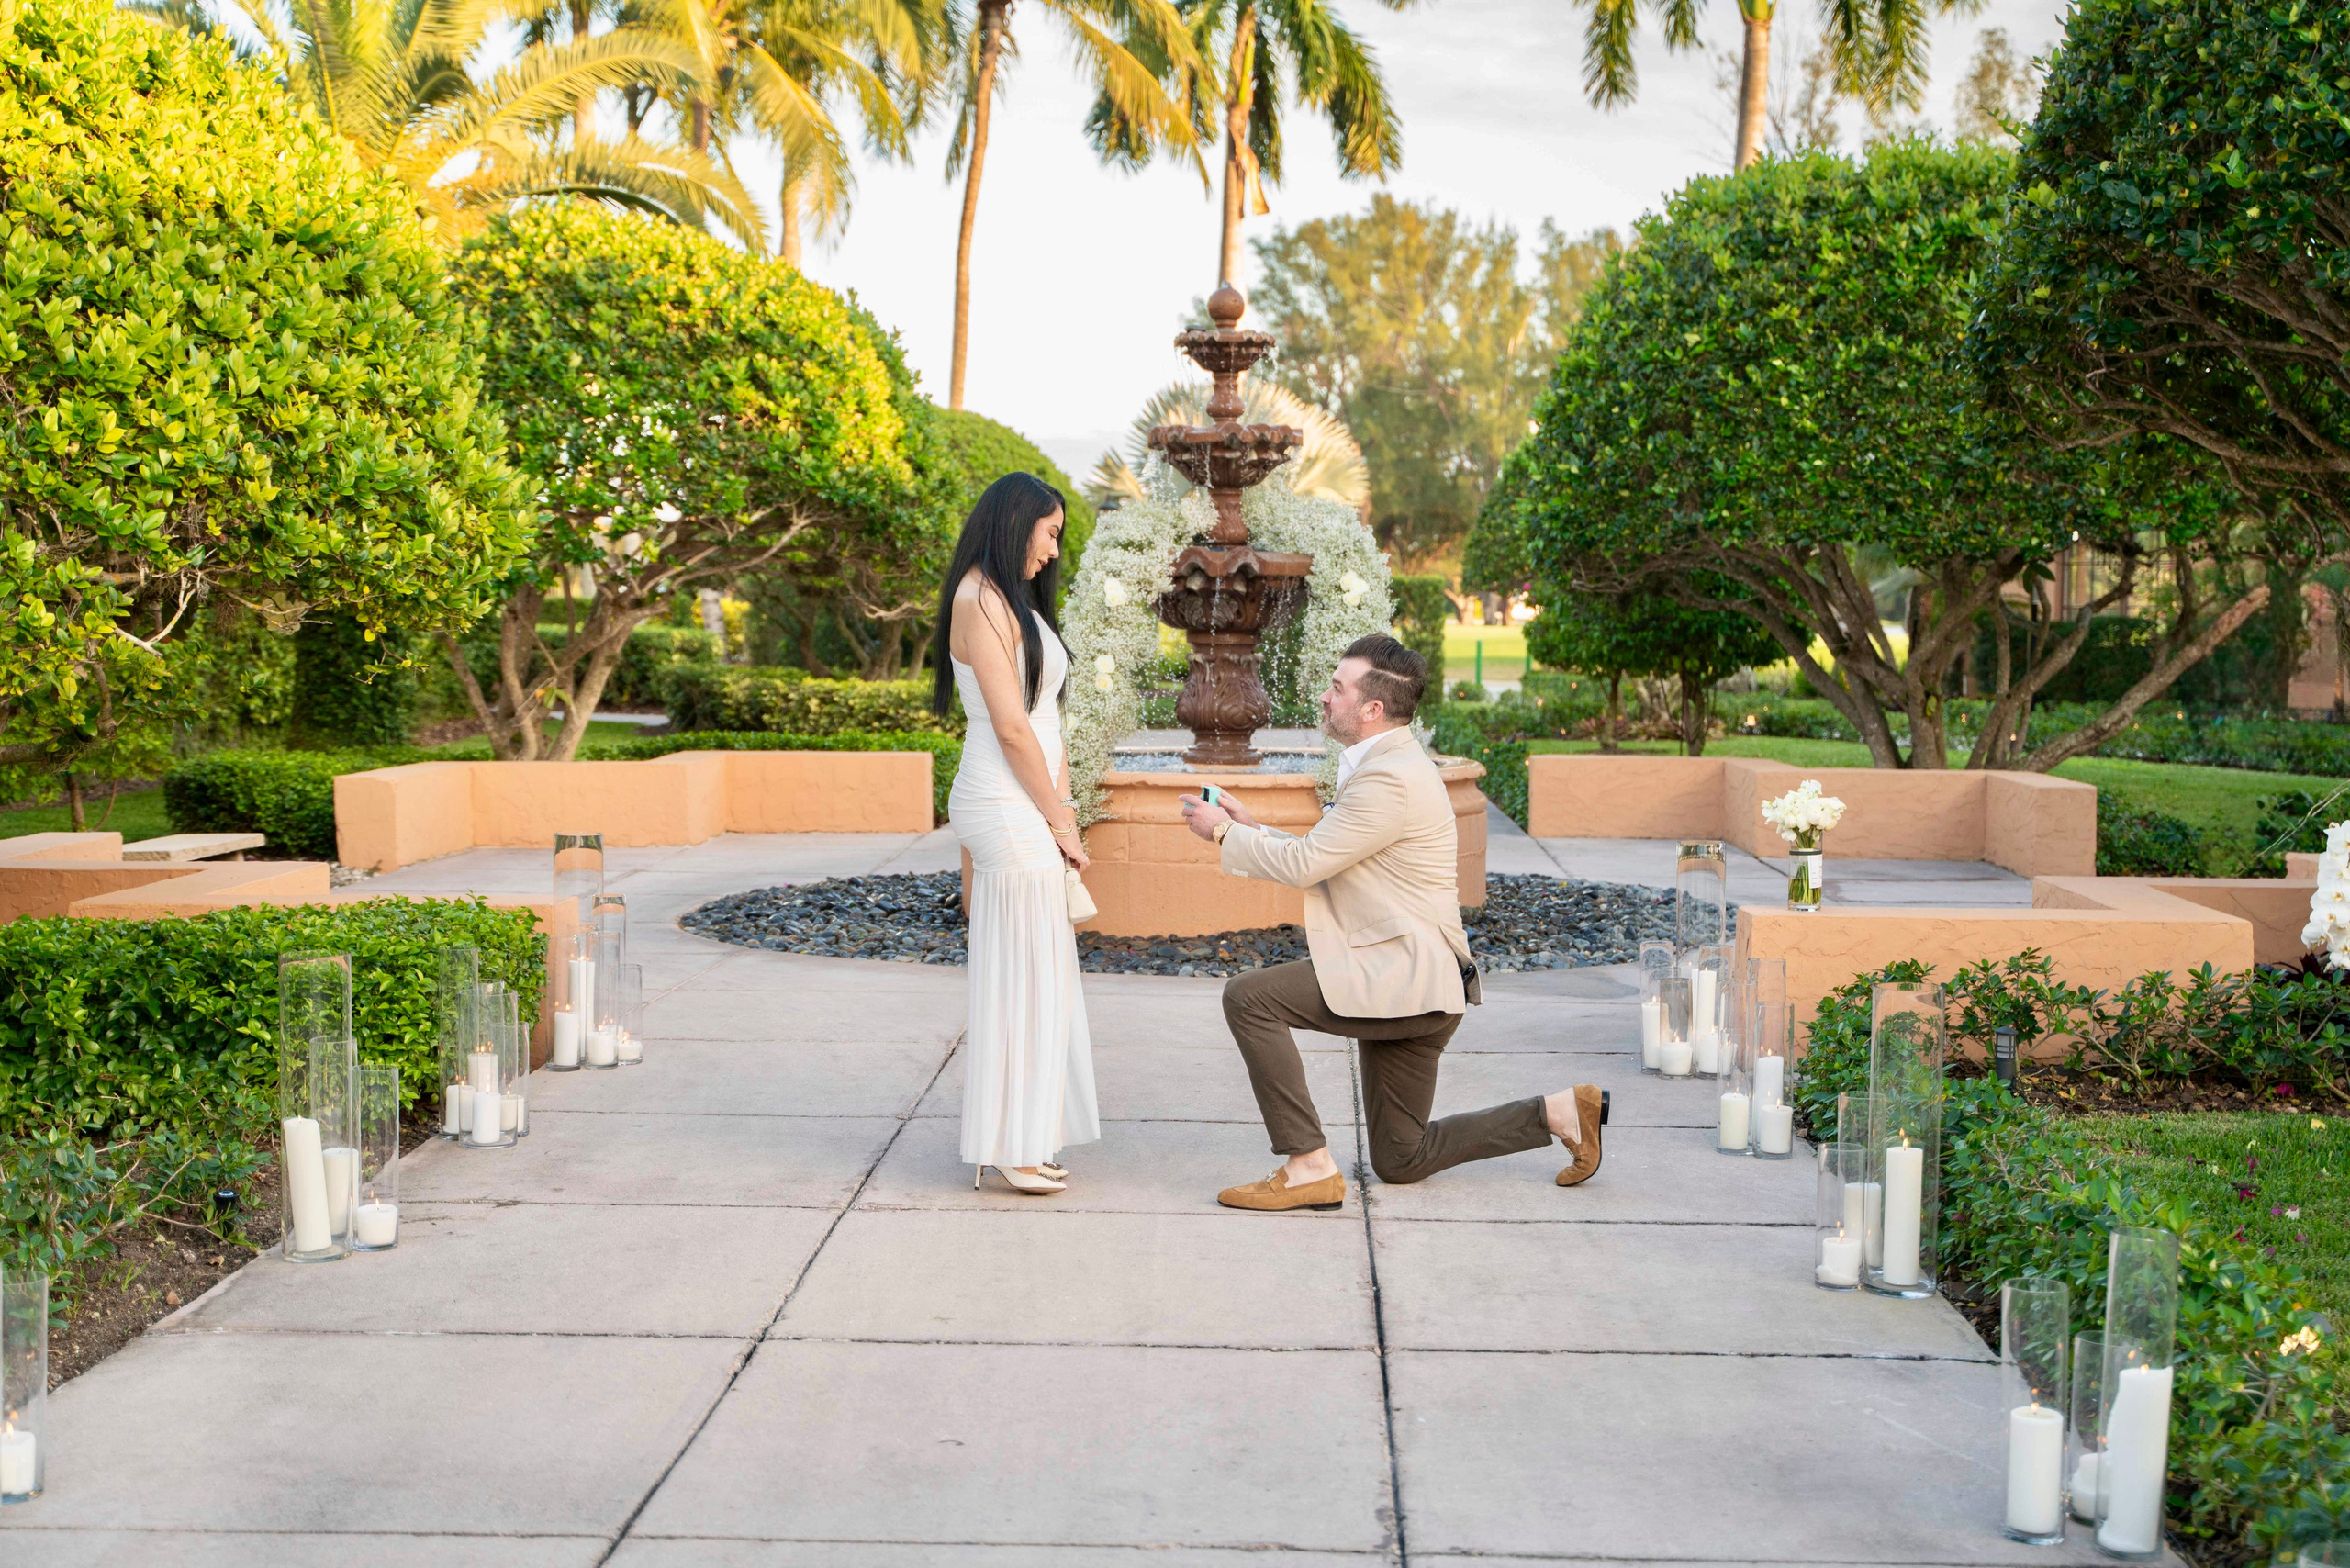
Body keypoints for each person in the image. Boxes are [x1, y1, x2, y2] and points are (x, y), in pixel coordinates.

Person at [1179, 633, 1608, 1211]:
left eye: (1338, 688)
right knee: (1400, 1159)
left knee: (1249, 999)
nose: (1327, 698)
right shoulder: (1391, 764)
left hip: (1405, 979)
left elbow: (1309, 864)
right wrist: (1251, 826)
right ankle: (1560, 1113)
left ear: (1372, 708)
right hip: (1424, 988)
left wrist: (1225, 833)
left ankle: (1307, 1165)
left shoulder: (1388, 778)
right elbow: (1329, 856)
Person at [931, 473, 1099, 1195]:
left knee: (1039, 976)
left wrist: (1062, 808)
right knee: (1024, 978)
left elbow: (1043, 722)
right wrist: (1059, 820)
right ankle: (1007, 1141)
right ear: (1018, 522)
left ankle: (1021, 1132)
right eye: (1052, 533)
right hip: (1005, 803)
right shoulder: (979, 600)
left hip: (1023, 799)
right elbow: (1009, 727)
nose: (1054, 551)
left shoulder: (1006, 601)